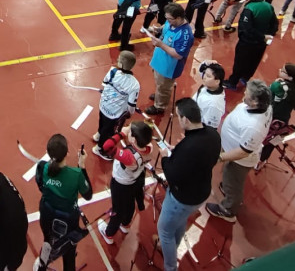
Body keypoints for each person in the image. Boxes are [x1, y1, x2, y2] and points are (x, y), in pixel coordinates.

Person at [156, 98, 220, 271]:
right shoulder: (212, 135)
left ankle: (170, 267)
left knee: (164, 230)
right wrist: (177, 151)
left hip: (182, 197)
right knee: (180, 221)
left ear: (186, 119)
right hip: (201, 192)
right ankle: (173, 245)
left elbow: (173, 175)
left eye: (179, 116)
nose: (178, 119)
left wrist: (164, 157)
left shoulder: (189, 147)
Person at [206, 80, 272, 223]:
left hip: (239, 160)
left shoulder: (254, 126)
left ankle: (228, 210)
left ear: (255, 102)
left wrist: (221, 157)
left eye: (247, 93)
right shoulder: (265, 106)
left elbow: (243, 152)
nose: (244, 93)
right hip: (232, 149)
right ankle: (228, 187)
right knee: (230, 179)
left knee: (233, 183)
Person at [35, 134, 92, 271]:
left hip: (46, 214)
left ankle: (41, 266)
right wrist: (82, 165)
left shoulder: (42, 167)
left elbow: (41, 186)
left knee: (48, 241)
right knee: (69, 248)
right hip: (68, 220)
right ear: (67, 153)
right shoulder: (76, 174)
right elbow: (88, 195)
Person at [96, 122, 153, 245]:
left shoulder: (129, 156)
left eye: (131, 133)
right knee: (129, 204)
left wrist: (122, 133)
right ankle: (125, 224)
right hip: (134, 182)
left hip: (121, 184)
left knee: (117, 210)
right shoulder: (149, 147)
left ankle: (109, 233)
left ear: (134, 139)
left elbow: (107, 146)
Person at [144, 3, 195, 116]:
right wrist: (159, 29)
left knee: (164, 86)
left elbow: (178, 55)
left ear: (178, 18)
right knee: (159, 83)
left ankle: (160, 106)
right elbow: (165, 27)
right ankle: (159, 95)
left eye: (169, 19)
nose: (167, 21)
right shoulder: (171, 22)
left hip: (169, 66)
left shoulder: (185, 35)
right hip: (159, 60)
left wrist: (161, 45)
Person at [224, 0, 278, 90]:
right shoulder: (268, 6)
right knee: (254, 61)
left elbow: (246, 28)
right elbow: (274, 24)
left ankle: (233, 82)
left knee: (240, 62)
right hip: (261, 43)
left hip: (247, 42)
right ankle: (245, 78)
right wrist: (268, 36)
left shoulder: (250, 9)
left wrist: (261, 36)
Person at [92, 50, 140, 159]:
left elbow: (104, 85)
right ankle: (100, 149)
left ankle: (98, 134)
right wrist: (130, 114)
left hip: (103, 105)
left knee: (102, 122)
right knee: (109, 131)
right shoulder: (134, 84)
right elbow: (131, 105)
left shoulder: (112, 71)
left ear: (121, 64)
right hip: (115, 113)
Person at [260, 64, 295, 164]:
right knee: (272, 142)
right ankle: (262, 160)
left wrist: (275, 83)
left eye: (283, 71)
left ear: (290, 77)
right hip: (282, 121)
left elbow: (265, 94)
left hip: (270, 117)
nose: (280, 70)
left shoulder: (278, 86)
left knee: (261, 136)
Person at [192, 60, 226, 130]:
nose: (204, 77)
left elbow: (209, 128)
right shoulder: (210, 85)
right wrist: (206, 62)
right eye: (205, 73)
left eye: (208, 76)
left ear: (217, 81)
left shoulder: (214, 105)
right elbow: (201, 70)